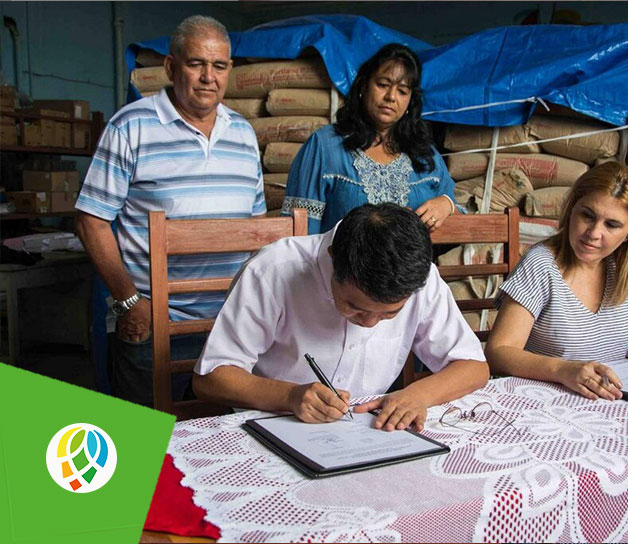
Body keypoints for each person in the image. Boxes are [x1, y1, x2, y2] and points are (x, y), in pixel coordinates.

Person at [75, 15, 266, 406]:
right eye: (196, 64)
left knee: (217, 441)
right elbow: (91, 220)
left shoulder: (243, 133)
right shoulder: (131, 126)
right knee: (144, 447)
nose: (208, 77)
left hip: (226, 324)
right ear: (170, 66)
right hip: (154, 321)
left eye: (219, 66)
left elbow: (257, 226)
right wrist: (130, 301)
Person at [193, 203, 489, 431]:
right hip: (272, 424)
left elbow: (474, 367)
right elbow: (210, 378)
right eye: (355, 307)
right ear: (333, 259)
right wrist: (289, 396)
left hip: (364, 431)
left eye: (390, 314)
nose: (370, 323)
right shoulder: (273, 270)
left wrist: (418, 395)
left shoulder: (421, 278)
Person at [485, 162, 628, 401]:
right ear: (571, 211)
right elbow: (499, 352)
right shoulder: (541, 264)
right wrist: (563, 370)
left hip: (607, 401)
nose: (594, 233)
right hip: (546, 401)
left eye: (612, 225)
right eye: (587, 215)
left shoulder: (624, 268)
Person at [282, 43, 459, 235]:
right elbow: (300, 233)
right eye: (383, 85)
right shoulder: (324, 146)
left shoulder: (424, 154)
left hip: (414, 265)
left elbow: (458, 213)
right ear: (364, 87)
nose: (391, 97)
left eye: (402, 91)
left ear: (410, 101)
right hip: (335, 265)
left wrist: (447, 204)